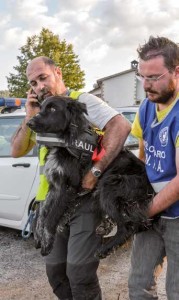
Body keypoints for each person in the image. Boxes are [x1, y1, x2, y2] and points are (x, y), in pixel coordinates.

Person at [11, 56, 131, 300]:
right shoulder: (41, 110)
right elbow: (17, 150)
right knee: (56, 272)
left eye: (43, 77)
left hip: (83, 200)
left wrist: (95, 171)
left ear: (58, 72)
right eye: (33, 83)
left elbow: (120, 126)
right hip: (51, 199)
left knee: (80, 273)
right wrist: (29, 116)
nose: (39, 86)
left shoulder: (81, 101)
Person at [128, 36, 179, 299]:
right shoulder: (146, 106)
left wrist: (143, 210)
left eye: (154, 77)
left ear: (177, 71)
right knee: (139, 285)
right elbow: (144, 154)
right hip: (153, 210)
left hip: (175, 213)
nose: (146, 86)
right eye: (141, 77)